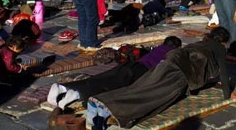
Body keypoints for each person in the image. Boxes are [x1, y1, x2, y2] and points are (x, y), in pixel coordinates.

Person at [87, 28, 236, 129]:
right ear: (223, 41)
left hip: (168, 62)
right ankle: (113, 109)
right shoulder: (219, 48)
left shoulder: (200, 43)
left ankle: (101, 103)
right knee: (154, 95)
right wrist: (228, 94)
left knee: (142, 86)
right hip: (182, 71)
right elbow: (223, 72)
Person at [49, 37, 182, 109]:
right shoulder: (172, 52)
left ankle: (66, 88)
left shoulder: (158, 48)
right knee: (111, 86)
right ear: (176, 47)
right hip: (139, 70)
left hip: (130, 65)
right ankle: (76, 93)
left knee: (102, 77)